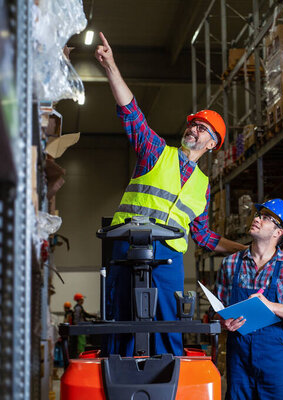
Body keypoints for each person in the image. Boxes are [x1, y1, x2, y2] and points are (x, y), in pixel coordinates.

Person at [95, 32, 247, 357]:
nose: (193, 129)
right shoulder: (156, 153)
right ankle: (114, 370)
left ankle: (170, 374)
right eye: (192, 125)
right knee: (120, 317)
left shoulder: (203, 185)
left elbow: (204, 237)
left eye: (202, 128)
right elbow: (131, 113)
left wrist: (243, 249)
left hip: (169, 256)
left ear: (212, 144)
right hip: (126, 242)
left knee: (168, 323)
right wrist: (110, 67)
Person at [215, 199, 283, 400]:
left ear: (278, 232)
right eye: (258, 215)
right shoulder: (230, 264)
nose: (257, 219)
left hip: (275, 360)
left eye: (265, 218)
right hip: (239, 360)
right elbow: (216, 310)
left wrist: (271, 306)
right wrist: (222, 321)